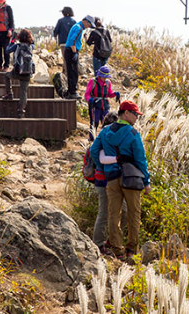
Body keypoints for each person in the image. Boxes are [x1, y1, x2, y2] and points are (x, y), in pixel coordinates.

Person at [89, 100, 151, 260]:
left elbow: (94, 150)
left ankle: (117, 250)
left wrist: (103, 167)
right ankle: (131, 249)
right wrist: (146, 181)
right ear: (126, 113)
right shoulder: (133, 134)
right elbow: (141, 159)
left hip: (111, 178)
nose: (137, 117)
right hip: (131, 179)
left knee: (113, 214)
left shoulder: (105, 131)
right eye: (135, 114)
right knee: (133, 213)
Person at [90, 111, 118, 253]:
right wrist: (102, 167)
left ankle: (109, 241)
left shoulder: (104, 135)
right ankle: (99, 244)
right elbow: (94, 151)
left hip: (103, 179)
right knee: (105, 213)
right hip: (104, 180)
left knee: (112, 212)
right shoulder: (106, 136)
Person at [1, 29, 35, 118]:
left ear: (19, 37)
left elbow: (7, 50)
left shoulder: (17, 46)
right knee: (23, 92)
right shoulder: (31, 46)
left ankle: (9, 94)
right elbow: (33, 43)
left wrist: (12, 41)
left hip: (17, 72)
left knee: (6, 75)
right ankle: (21, 111)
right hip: (27, 73)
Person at [84, 66, 120, 142]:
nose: (105, 78)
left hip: (105, 106)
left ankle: (106, 140)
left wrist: (115, 94)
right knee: (94, 123)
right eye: (104, 76)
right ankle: (91, 140)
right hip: (95, 106)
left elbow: (109, 94)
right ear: (100, 76)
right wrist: (89, 99)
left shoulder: (108, 83)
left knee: (107, 123)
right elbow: (87, 94)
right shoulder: (92, 82)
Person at [63, 14, 94, 99]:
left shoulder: (76, 26)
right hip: (71, 51)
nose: (88, 27)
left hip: (69, 50)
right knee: (73, 72)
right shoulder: (79, 28)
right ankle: (72, 92)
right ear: (86, 21)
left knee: (71, 71)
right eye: (89, 24)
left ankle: (70, 91)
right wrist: (74, 52)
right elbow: (72, 40)